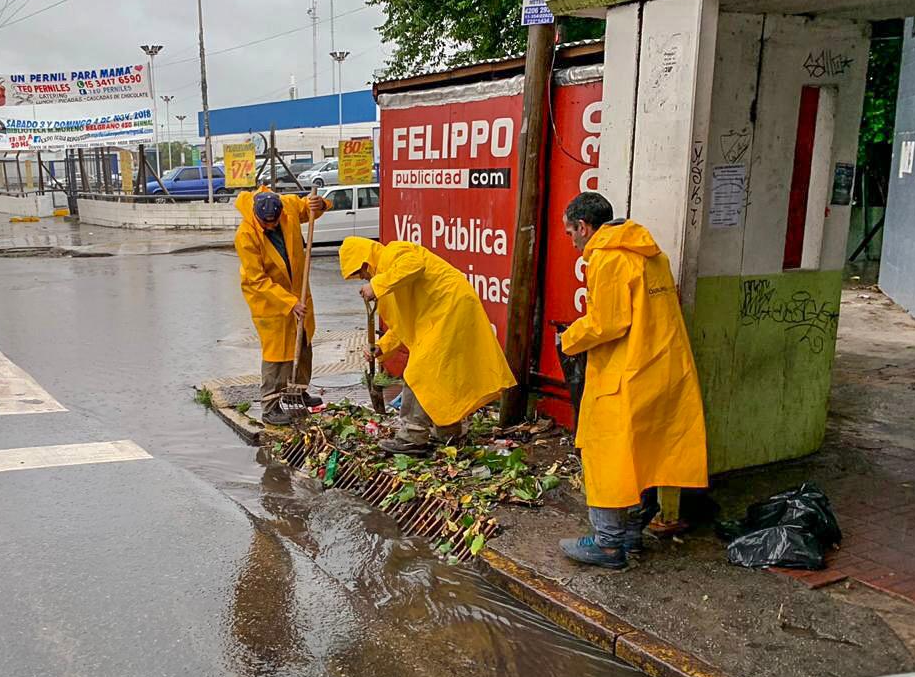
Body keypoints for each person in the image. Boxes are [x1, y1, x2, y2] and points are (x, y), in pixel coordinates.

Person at [557, 192, 708, 569]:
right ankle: (632, 535)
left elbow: (609, 323)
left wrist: (570, 338)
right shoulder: (651, 255)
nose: (571, 240)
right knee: (646, 454)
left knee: (605, 454)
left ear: (585, 227)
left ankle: (608, 544)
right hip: (663, 369)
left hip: (626, 371)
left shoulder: (607, 259)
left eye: (570, 231)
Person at [339, 235, 515, 455]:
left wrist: (376, 285)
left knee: (420, 373)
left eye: (360, 273)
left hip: (449, 309)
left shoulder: (393, 253)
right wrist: (383, 346)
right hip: (442, 313)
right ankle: (449, 432)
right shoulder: (390, 280)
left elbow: (415, 264)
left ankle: (413, 436)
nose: (363, 277)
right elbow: (405, 324)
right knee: (441, 375)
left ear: (365, 261)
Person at [233, 187, 327, 426]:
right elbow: (257, 279)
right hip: (269, 302)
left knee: (303, 343)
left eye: (275, 222)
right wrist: (288, 302)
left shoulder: (288, 206)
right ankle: (270, 405)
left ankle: (298, 391)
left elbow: (309, 209)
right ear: (257, 216)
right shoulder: (246, 235)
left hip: (299, 293)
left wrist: (319, 204)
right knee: (276, 355)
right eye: (267, 224)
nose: (272, 227)